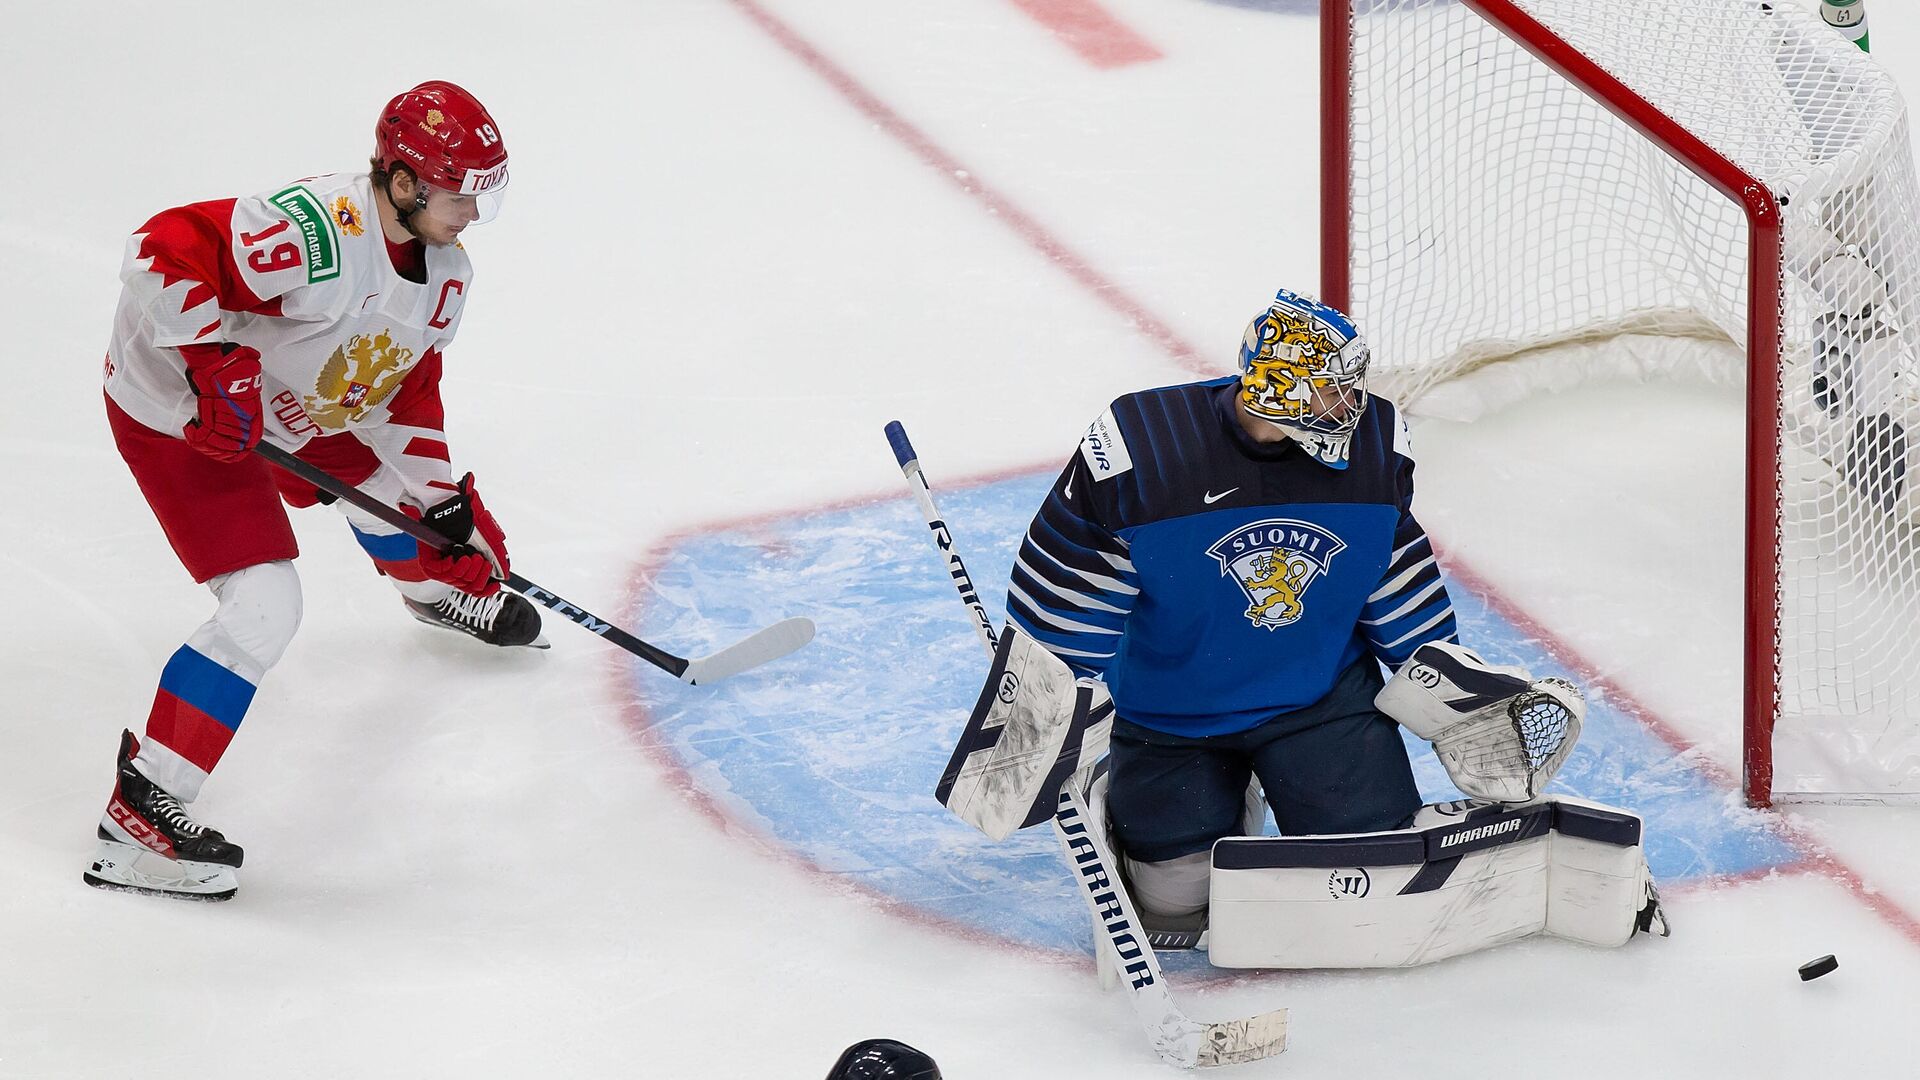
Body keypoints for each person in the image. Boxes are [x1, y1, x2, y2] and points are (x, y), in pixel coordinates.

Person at [87, 81, 542, 902]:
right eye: (460, 195)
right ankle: (140, 814)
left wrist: (445, 515)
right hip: (179, 416)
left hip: (282, 396)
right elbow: (157, 248)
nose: (473, 214)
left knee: (386, 484)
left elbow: (401, 394)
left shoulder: (444, 276)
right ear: (403, 183)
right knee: (265, 605)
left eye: (485, 195)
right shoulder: (315, 233)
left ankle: (427, 592)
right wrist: (207, 362)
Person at [1004, 288, 1460, 930]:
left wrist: (1442, 676)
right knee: (1177, 906)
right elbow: (1066, 581)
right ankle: (1217, 790)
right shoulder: (1145, 451)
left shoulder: (1374, 448)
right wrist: (1054, 698)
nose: (1352, 407)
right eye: (1334, 390)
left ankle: (1273, 775)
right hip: (1173, 709)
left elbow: (1391, 565)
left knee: (1371, 881)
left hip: (1319, 699)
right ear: (1282, 392)